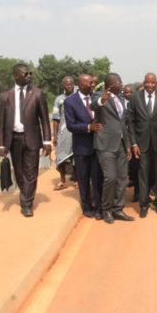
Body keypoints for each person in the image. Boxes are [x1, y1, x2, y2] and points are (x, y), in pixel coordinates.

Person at [0, 63, 52, 217]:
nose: (29, 76)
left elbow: (45, 120)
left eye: (30, 73)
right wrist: (1, 144)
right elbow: (1, 124)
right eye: (26, 74)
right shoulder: (5, 96)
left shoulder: (37, 94)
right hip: (13, 140)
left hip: (32, 139)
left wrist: (47, 141)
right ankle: (25, 194)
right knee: (20, 173)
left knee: (31, 172)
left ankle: (26, 203)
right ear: (16, 75)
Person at [90, 73, 134, 224]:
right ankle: (106, 209)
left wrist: (127, 145)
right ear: (110, 85)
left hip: (121, 145)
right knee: (111, 178)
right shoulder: (99, 95)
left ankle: (118, 209)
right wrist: (102, 101)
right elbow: (93, 105)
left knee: (122, 178)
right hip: (106, 145)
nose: (122, 84)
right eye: (119, 82)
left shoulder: (121, 99)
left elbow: (124, 124)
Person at [128, 72, 157, 218]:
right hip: (141, 144)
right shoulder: (135, 97)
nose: (150, 85)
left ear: (156, 83)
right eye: (148, 82)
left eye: (153, 83)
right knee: (143, 174)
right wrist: (134, 143)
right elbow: (131, 122)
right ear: (144, 82)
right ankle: (144, 204)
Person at [64, 73, 103, 219]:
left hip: (98, 146)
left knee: (98, 178)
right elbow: (70, 125)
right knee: (83, 178)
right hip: (81, 148)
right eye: (89, 83)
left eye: (93, 83)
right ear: (81, 85)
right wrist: (88, 127)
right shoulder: (70, 102)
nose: (93, 85)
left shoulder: (96, 98)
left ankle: (99, 208)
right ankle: (87, 206)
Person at [52, 76, 75, 190]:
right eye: (67, 84)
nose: (69, 86)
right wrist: (55, 135)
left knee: (76, 157)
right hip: (63, 132)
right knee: (61, 156)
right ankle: (62, 181)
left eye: (71, 84)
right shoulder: (59, 99)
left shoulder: (78, 98)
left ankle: (76, 180)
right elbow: (55, 118)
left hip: (76, 131)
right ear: (63, 86)